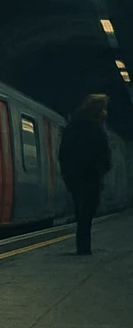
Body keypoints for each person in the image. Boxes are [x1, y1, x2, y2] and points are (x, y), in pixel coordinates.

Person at [58, 92, 112, 255]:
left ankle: (82, 245)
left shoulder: (72, 126)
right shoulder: (96, 129)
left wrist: (67, 174)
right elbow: (104, 154)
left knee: (82, 210)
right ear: (98, 110)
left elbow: (64, 153)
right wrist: (101, 170)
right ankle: (83, 247)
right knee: (88, 211)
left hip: (74, 176)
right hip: (91, 176)